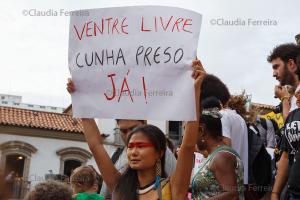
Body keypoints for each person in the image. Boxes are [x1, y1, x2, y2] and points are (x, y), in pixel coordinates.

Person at [67, 60, 205, 199]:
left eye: (140, 146)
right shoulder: (118, 185)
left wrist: (196, 90)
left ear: (159, 152)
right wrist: (80, 99)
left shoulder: (173, 187)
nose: (133, 152)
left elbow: (188, 146)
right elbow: (95, 145)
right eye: (131, 147)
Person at [200, 74, 249, 186]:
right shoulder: (238, 117)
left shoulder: (222, 116)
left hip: (225, 183)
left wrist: (199, 150)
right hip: (238, 181)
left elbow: (224, 150)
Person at [191, 96, 244, 200]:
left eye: (193, 132)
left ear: (201, 130)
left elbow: (232, 195)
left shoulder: (222, 156)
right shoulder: (214, 155)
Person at [268, 43, 300, 200]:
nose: (274, 73)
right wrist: (275, 193)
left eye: (276, 67)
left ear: (291, 64)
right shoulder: (294, 98)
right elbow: (288, 149)